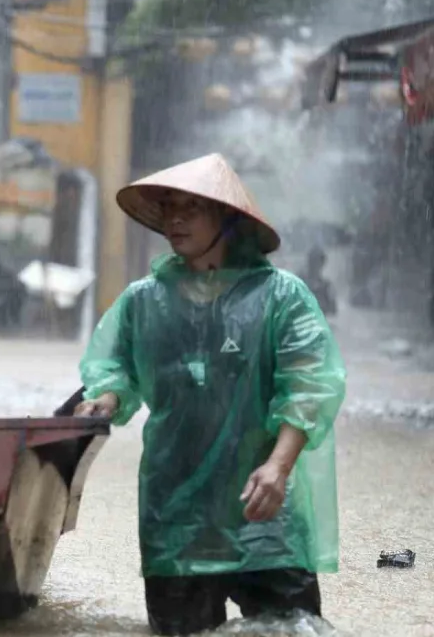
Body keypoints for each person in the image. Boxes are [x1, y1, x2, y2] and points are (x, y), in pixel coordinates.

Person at [73, 154, 346, 636]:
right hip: (175, 515)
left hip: (264, 514)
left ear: (227, 217)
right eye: (169, 208)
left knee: (292, 630)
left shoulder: (283, 296)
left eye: (191, 208)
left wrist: (279, 467)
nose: (175, 218)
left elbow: (310, 385)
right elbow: (113, 366)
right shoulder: (144, 299)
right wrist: (107, 399)